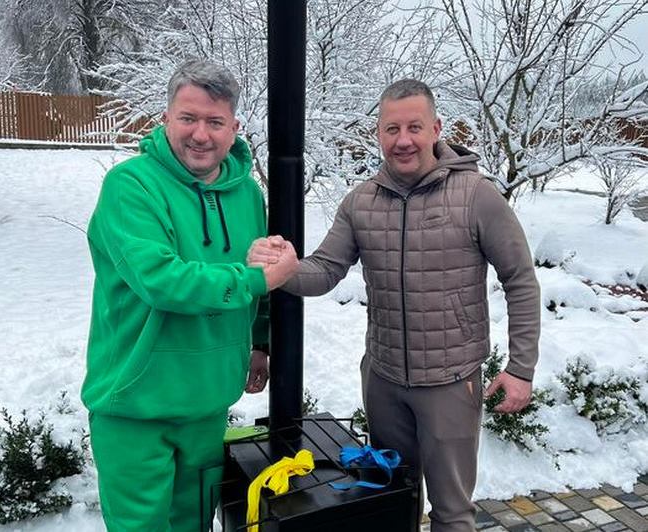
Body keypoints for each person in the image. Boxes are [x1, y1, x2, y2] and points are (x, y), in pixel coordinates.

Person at [249, 79, 540, 532]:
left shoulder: (476, 196)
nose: (403, 140)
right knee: (391, 501)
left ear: (436, 129)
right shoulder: (361, 202)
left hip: (450, 382)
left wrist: (521, 368)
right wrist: (284, 269)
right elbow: (325, 271)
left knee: (452, 513)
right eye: (392, 129)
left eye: (414, 127)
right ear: (378, 134)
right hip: (384, 382)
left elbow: (520, 279)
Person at [82, 59, 298, 531]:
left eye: (215, 122)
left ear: (234, 128)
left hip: (208, 406)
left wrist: (261, 341)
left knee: (194, 525)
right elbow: (161, 280)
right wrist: (255, 281)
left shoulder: (247, 194)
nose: (201, 134)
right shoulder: (131, 186)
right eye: (188, 118)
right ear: (166, 118)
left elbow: (259, 265)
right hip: (137, 408)